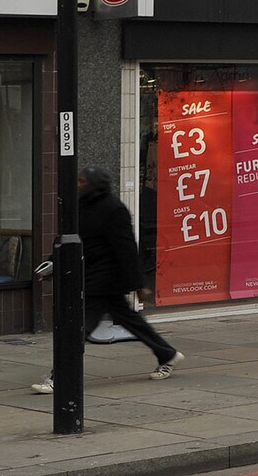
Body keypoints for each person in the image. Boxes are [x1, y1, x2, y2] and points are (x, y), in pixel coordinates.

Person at [32, 167, 181, 392]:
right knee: (131, 321)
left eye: (83, 181)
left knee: (78, 328)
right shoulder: (81, 205)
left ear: (96, 185)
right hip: (92, 275)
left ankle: (59, 378)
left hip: (104, 279)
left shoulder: (114, 209)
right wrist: (54, 265)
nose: (79, 184)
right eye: (79, 180)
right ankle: (167, 354)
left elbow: (127, 248)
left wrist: (139, 284)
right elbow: (71, 238)